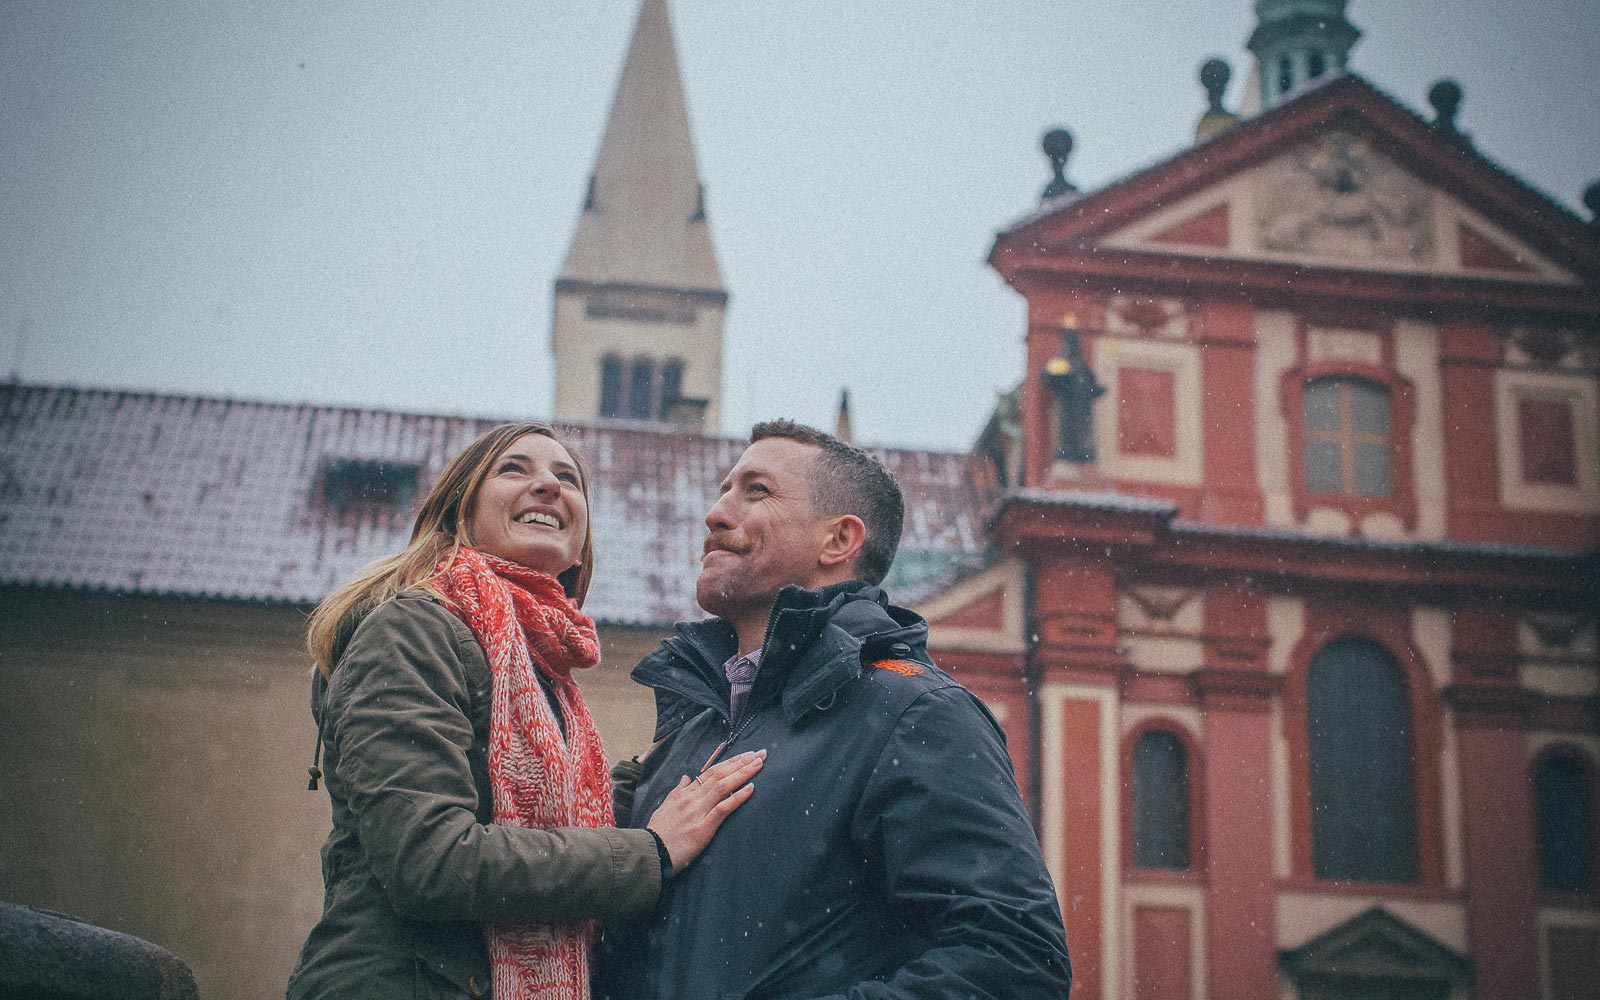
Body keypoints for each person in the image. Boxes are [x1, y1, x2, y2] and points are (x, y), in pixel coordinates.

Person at [288, 422, 764, 1000]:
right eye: (514, 469)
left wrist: (660, 770)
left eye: (567, 478)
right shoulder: (411, 630)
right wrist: (650, 853)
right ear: (458, 516)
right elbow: (430, 861)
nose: (548, 485)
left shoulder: (539, 661)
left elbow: (548, 816)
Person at [598, 421, 1071, 1000]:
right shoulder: (696, 724)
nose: (716, 514)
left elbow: (1014, 961)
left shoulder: (914, 712)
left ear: (838, 541)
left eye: (757, 491)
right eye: (724, 490)